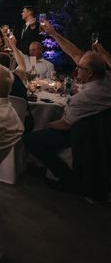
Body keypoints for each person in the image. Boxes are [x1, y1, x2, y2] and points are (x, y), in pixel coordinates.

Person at [24, 20, 111, 191]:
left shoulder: (83, 97)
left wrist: (45, 124)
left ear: (90, 73)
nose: (76, 69)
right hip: (100, 133)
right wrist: (54, 34)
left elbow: (63, 125)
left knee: (30, 139)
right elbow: (76, 54)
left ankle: (67, 177)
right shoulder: (107, 80)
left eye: (79, 68)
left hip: (82, 135)